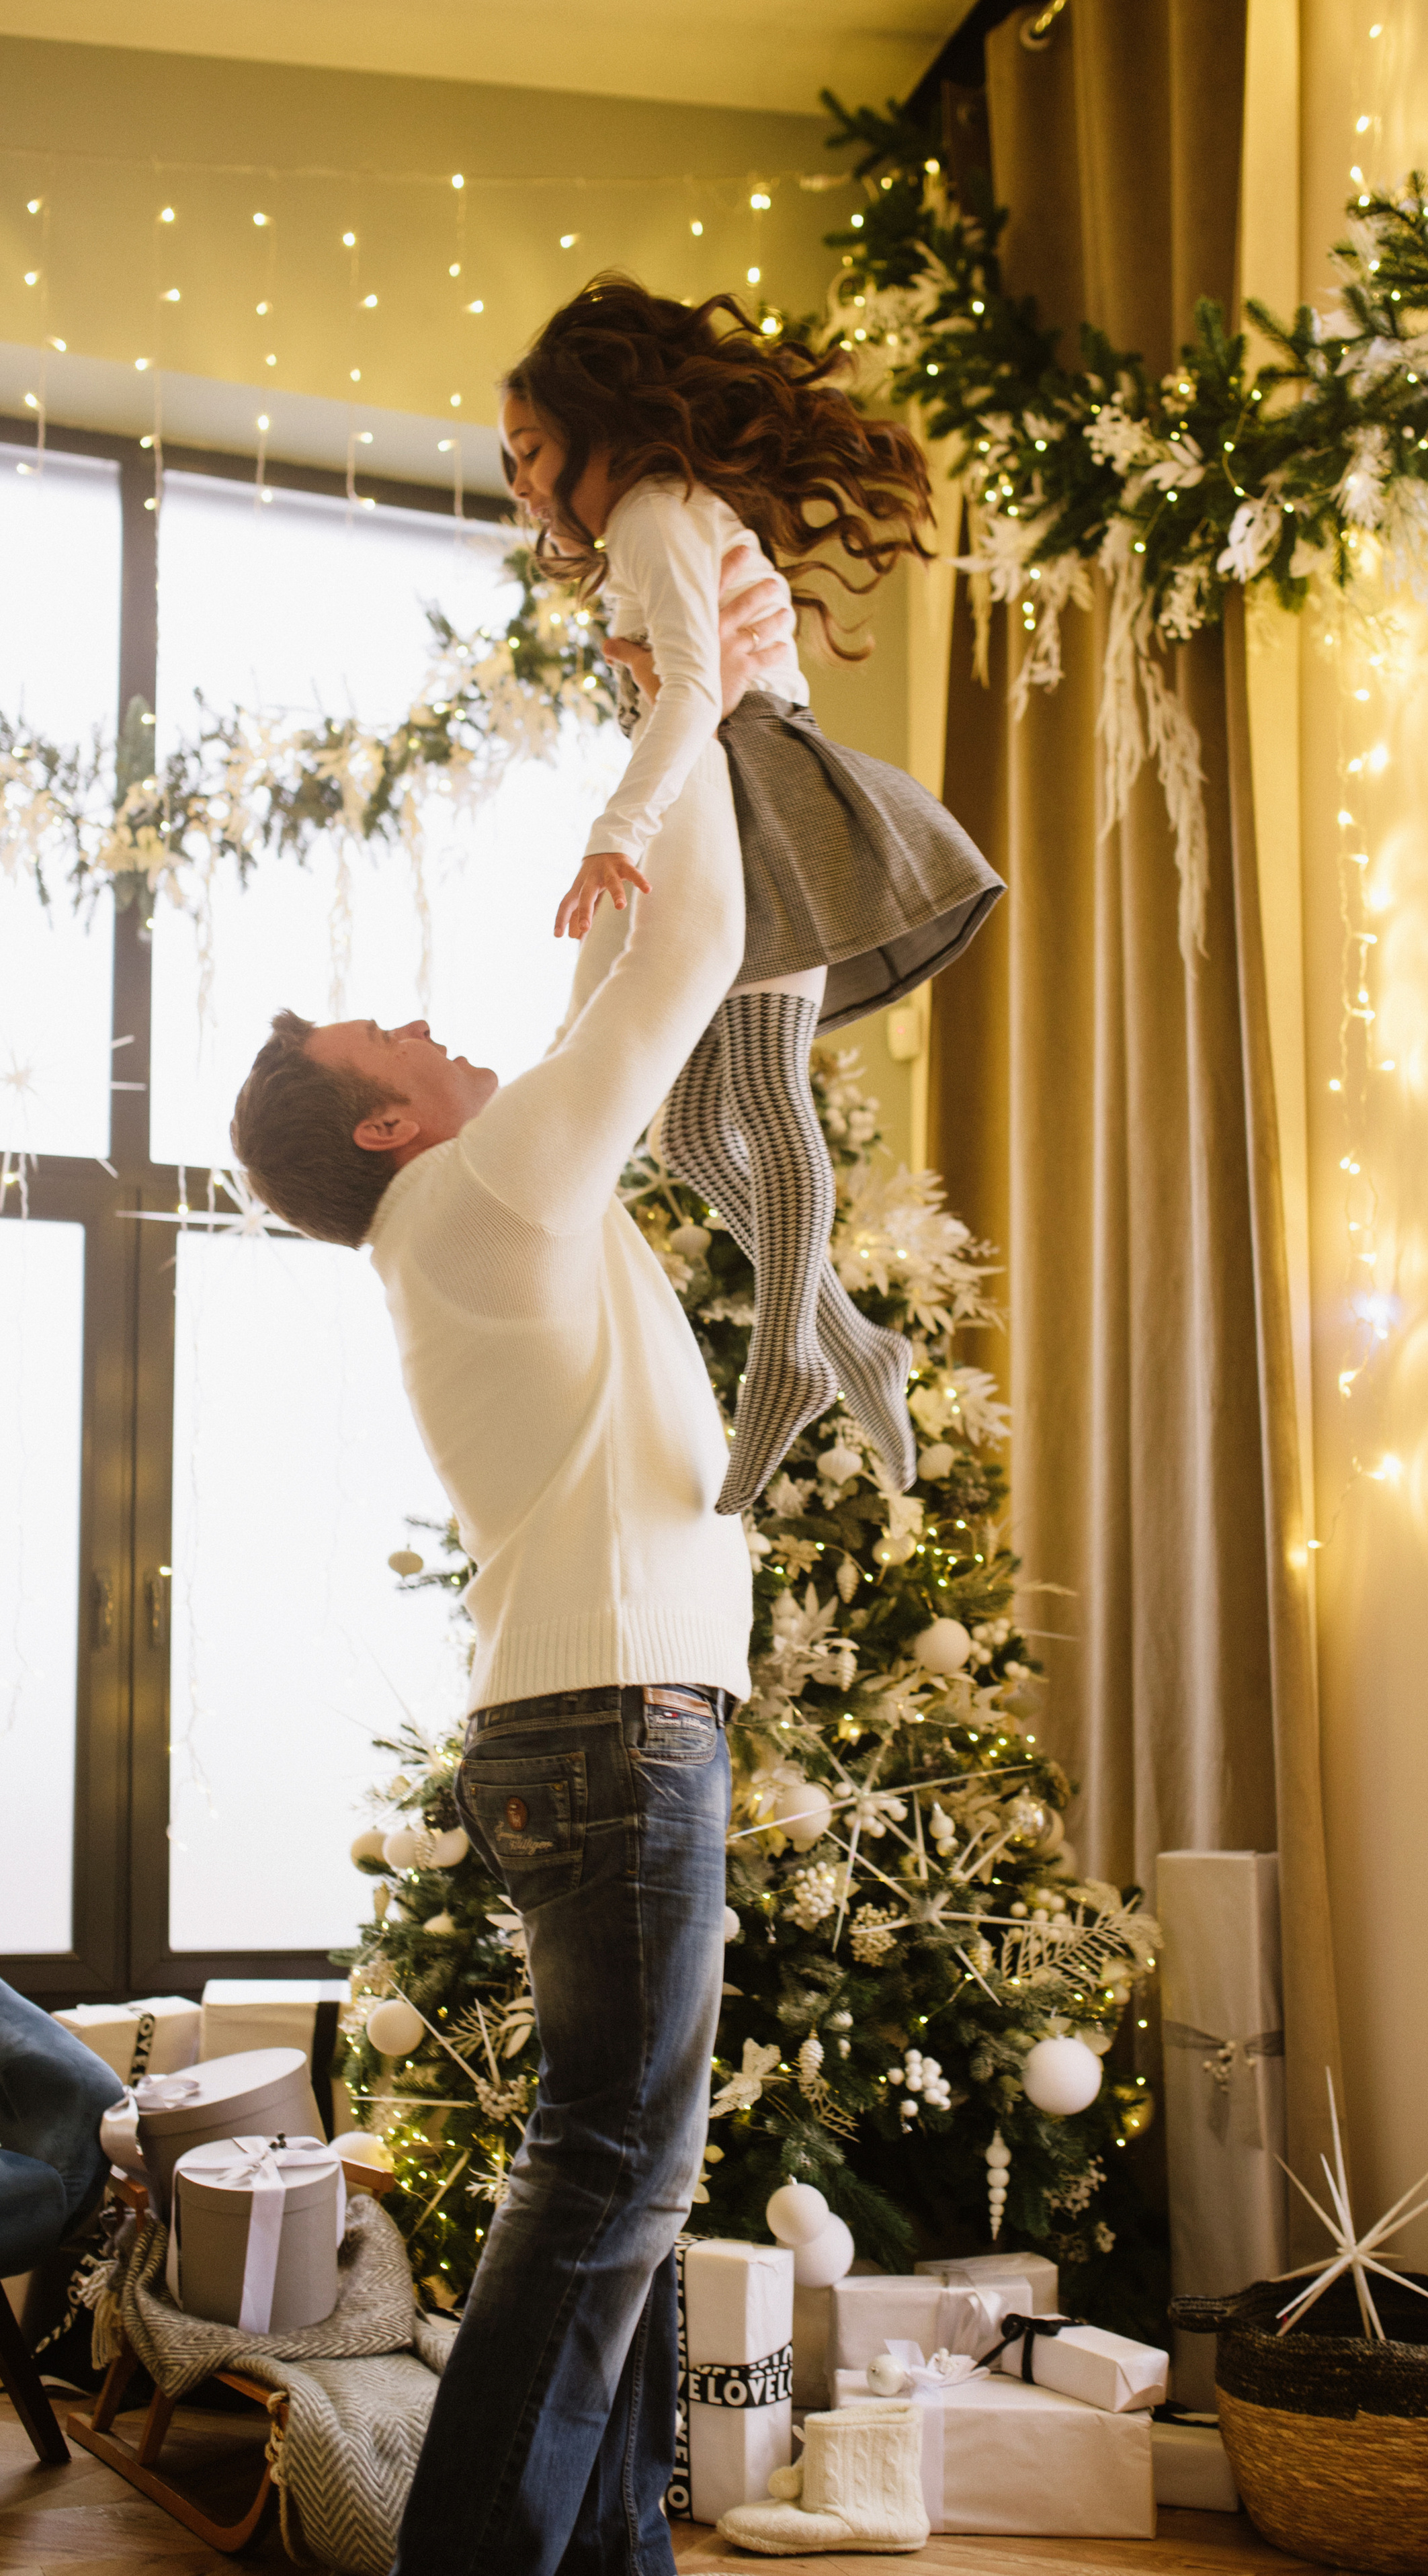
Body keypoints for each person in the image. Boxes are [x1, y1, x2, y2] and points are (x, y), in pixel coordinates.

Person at [229, 581, 794, 2576]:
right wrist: (695, 702)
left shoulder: (476, 1210)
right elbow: (692, 945)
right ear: (385, 1119)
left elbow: (629, 968)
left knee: (623, 2180)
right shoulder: (480, 1192)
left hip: (589, 1726)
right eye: (393, 1031)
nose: (437, 1018)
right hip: (618, 1731)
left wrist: (678, 716)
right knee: (608, 2179)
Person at [499, 273, 1003, 1514]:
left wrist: (616, 830)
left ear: (597, 432)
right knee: (682, 1131)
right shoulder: (663, 519)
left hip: (757, 792)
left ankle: (787, 1351)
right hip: (731, 790)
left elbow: (692, 692)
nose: (516, 480)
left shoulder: (657, 511)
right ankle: (843, 1339)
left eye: (530, 450)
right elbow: (685, 670)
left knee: (758, 1092)